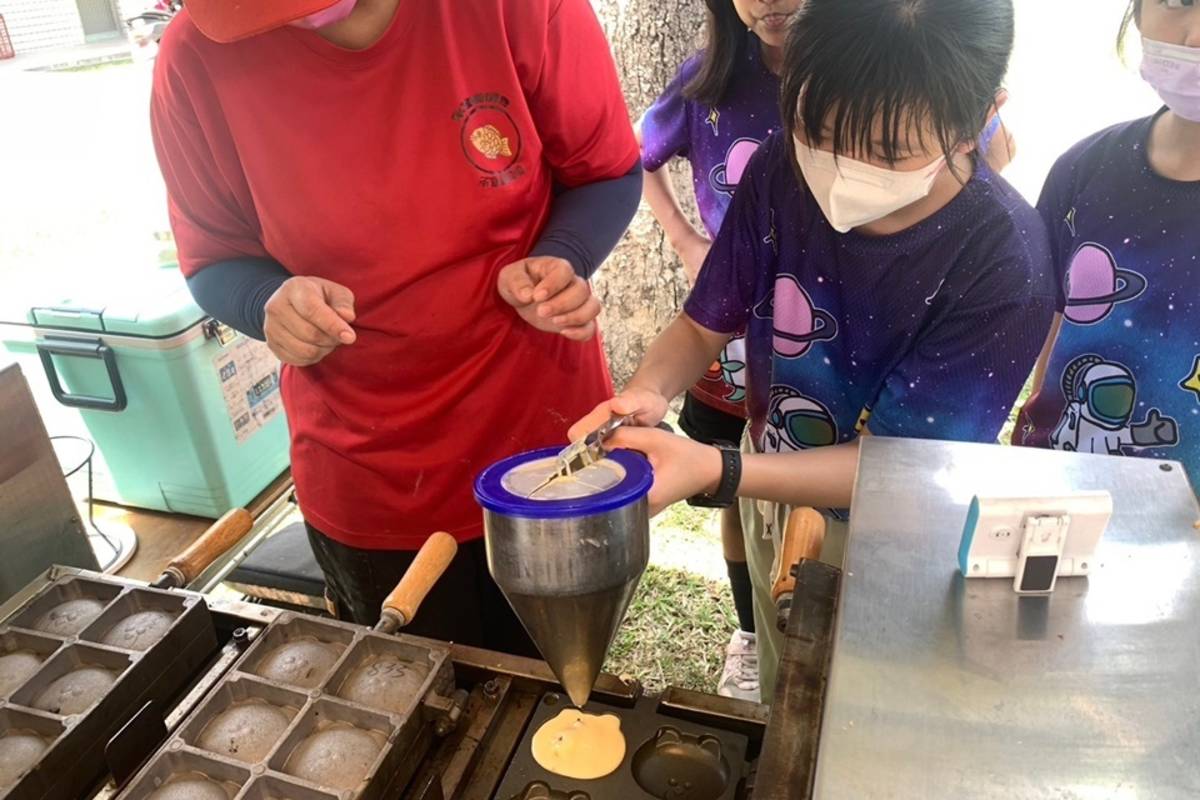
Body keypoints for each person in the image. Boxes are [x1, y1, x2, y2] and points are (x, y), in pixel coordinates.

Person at [572, 0, 1055, 703]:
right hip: (767, 487)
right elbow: (704, 325)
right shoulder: (780, 170)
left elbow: (898, 467)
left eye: (889, 151)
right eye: (819, 130)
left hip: (888, 539)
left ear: (982, 113)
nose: (843, 169)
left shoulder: (1004, 263)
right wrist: (648, 391)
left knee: (854, 716)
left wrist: (718, 468)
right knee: (781, 700)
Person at [151, 0, 643, 653]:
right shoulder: (195, 56)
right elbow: (214, 256)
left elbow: (606, 172)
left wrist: (561, 257)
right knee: (413, 698)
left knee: (560, 691)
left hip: (542, 437)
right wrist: (267, 300)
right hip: (366, 464)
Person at [638, 0, 801, 703]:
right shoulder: (708, 82)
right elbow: (632, 153)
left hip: (815, 363)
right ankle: (747, 628)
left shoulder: (865, 75)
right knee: (739, 481)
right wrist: (682, 237)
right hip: (731, 345)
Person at [1014, 0, 1200, 477]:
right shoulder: (1083, 169)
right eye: (1178, 1)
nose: (1195, 34)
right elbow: (1053, 325)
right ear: (1137, 13)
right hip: (1055, 501)